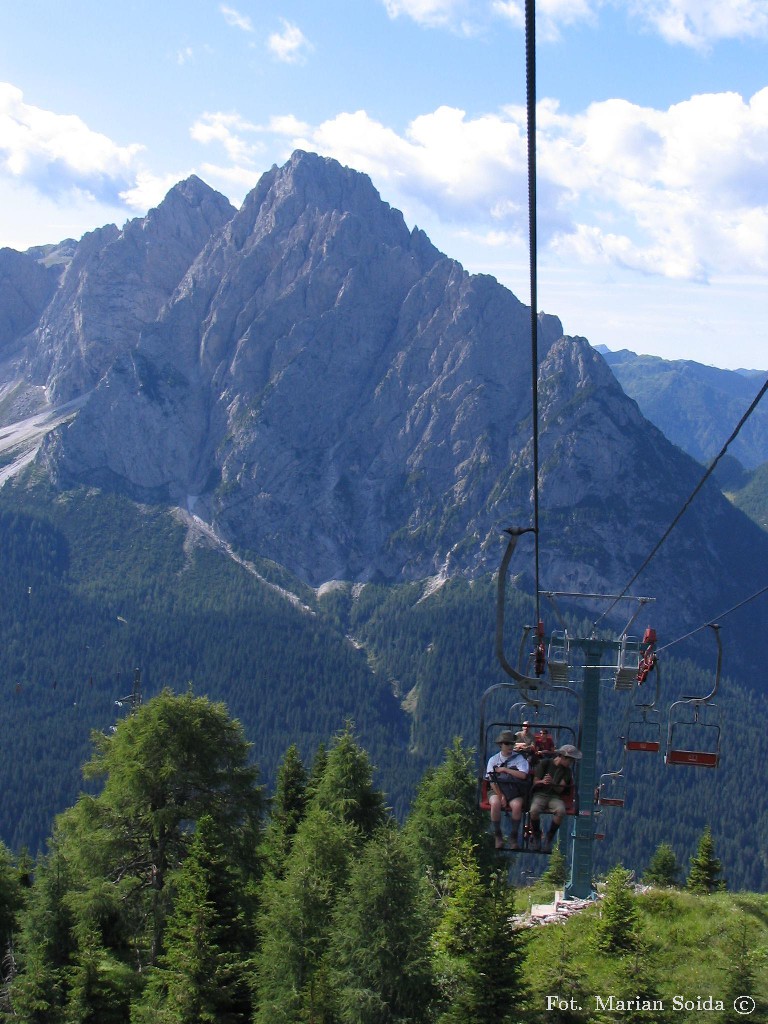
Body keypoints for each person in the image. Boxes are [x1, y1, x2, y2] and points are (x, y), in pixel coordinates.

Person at [528, 743, 581, 852]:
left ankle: (549, 837)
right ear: (562, 757)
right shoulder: (544, 763)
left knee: (560, 811)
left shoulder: (567, 772)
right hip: (540, 794)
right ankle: (537, 835)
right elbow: (535, 782)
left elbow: (560, 789)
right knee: (533, 810)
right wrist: (543, 781)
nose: (570, 763)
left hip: (554, 796)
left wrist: (552, 783)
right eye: (569, 760)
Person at [486, 730, 531, 850]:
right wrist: (501, 796)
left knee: (517, 805)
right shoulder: (493, 760)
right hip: (496, 789)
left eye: (512, 744)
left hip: (513, 790)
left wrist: (506, 770)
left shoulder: (519, 759)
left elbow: (523, 775)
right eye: (507, 744)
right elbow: (491, 780)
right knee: (495, 803)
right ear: (501, 745)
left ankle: (513, 837)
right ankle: (498, 836)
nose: (510, 746)